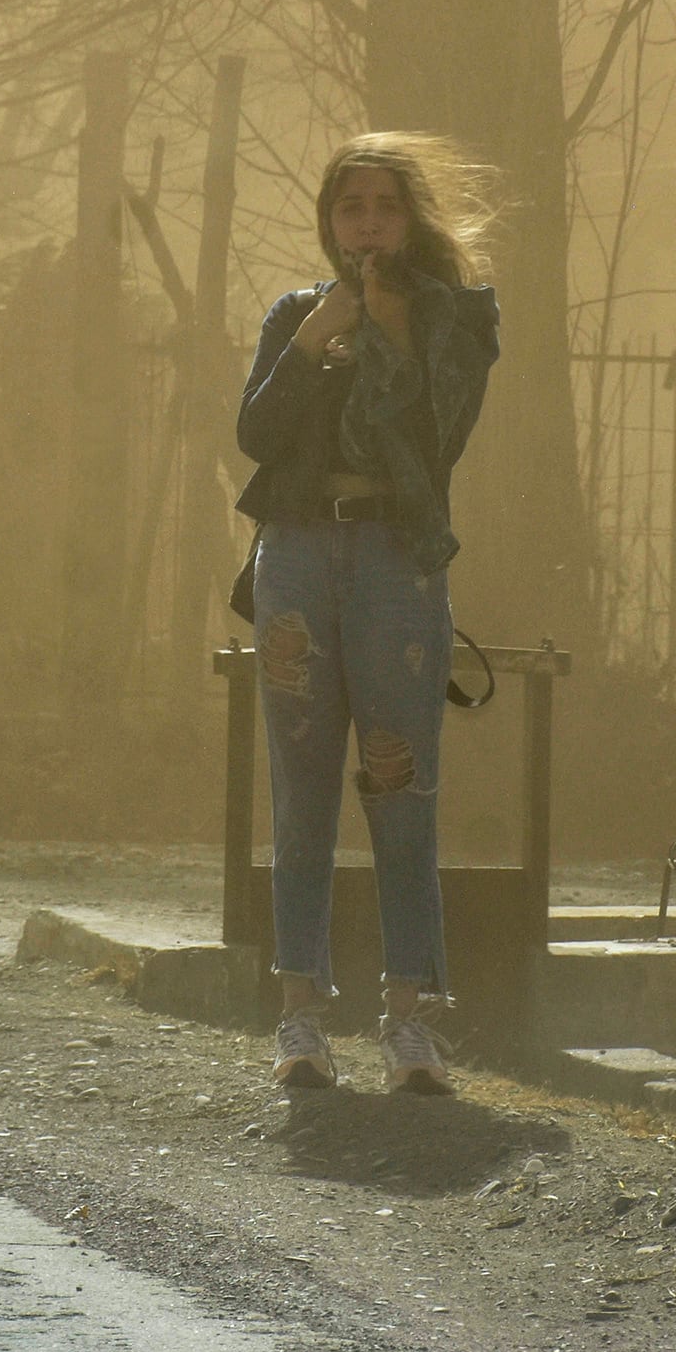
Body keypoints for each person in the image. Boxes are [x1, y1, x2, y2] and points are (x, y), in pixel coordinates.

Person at [234, 133, 500, 1094]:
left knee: (400, 785)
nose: (369, 226)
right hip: (298, 555)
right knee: (300, 784)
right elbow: (256, 436)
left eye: (385, 207)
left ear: (411, 218)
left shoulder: (455, 319)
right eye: (351, 210)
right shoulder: (297, 315)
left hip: (396, 559)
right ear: (329, 220)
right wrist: (314, 342)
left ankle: (408, 1020)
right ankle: (300, 1015)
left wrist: (387, 327)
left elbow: (442, 434)